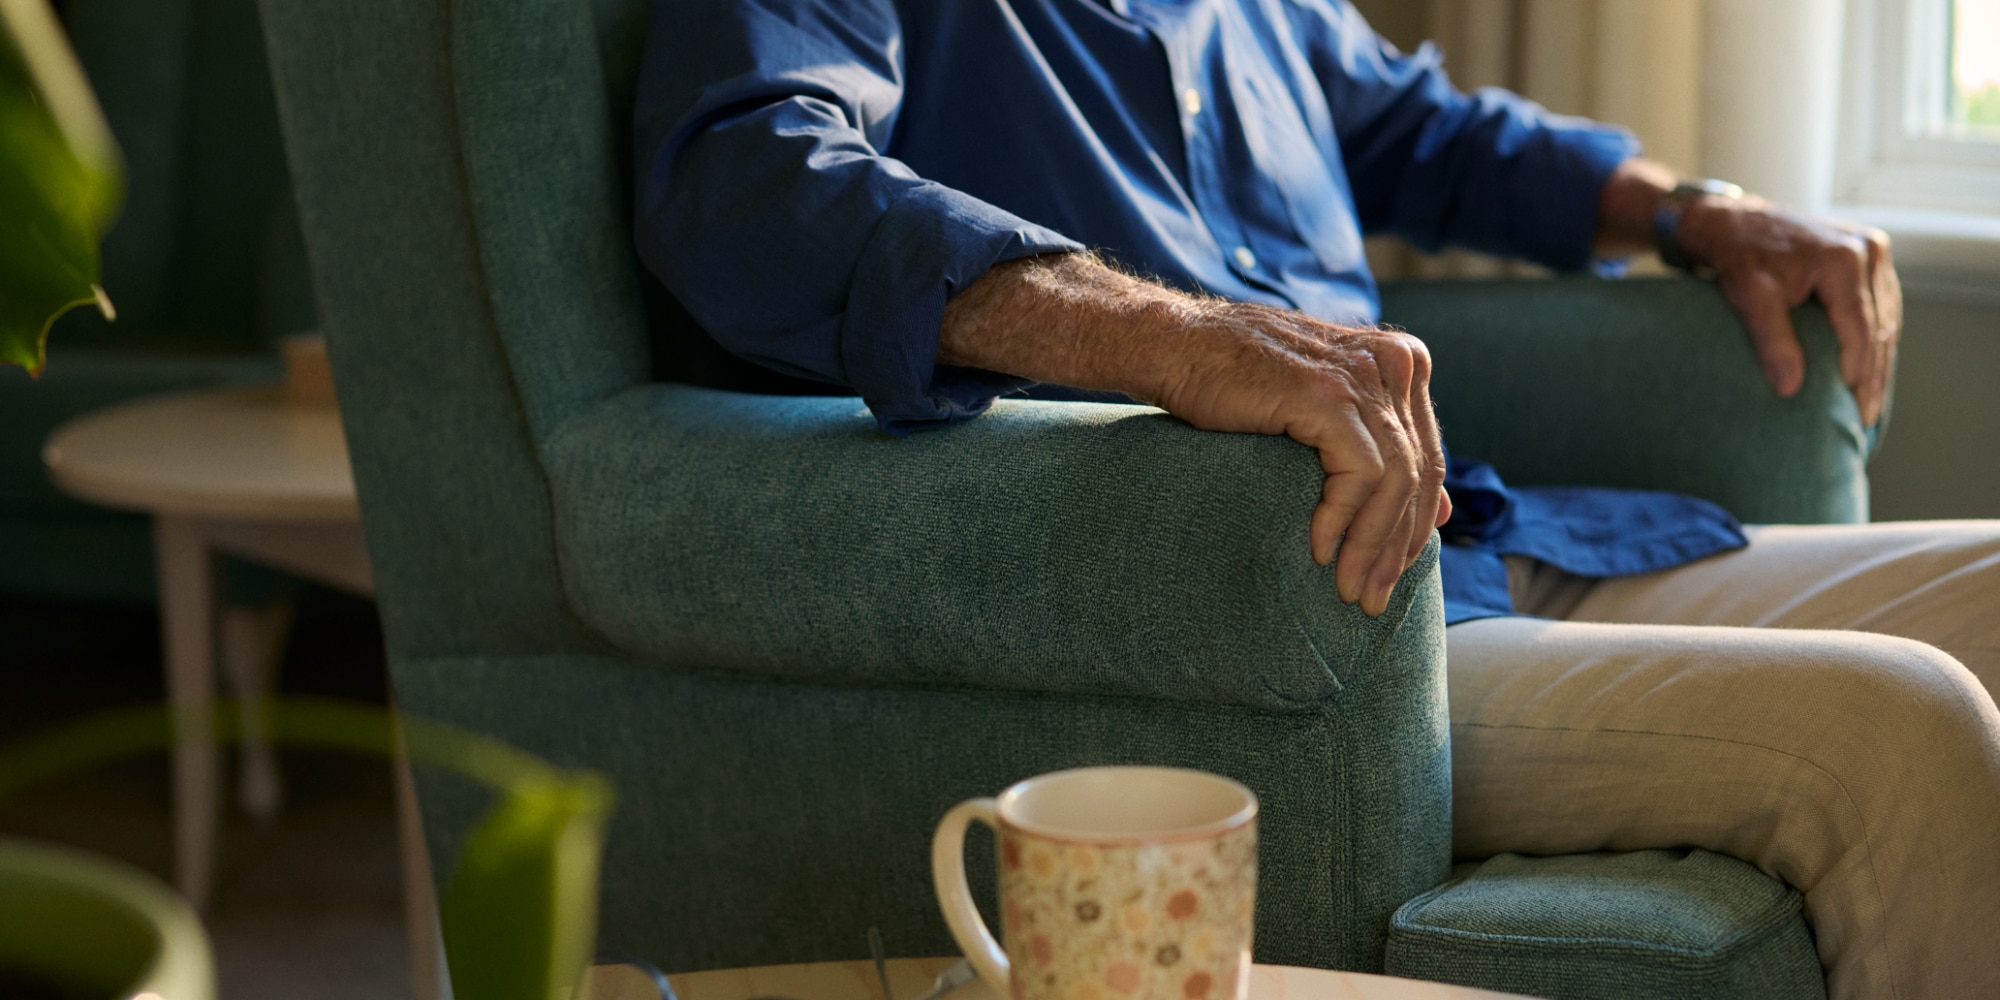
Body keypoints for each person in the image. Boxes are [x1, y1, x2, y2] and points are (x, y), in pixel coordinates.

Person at [632, 2, 2000, 997]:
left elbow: (1428, 132)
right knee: (1903, 733)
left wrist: (1693, 211)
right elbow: (750, 184)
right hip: (1309, 627)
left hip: (1478, 534)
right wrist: (1178, 340)